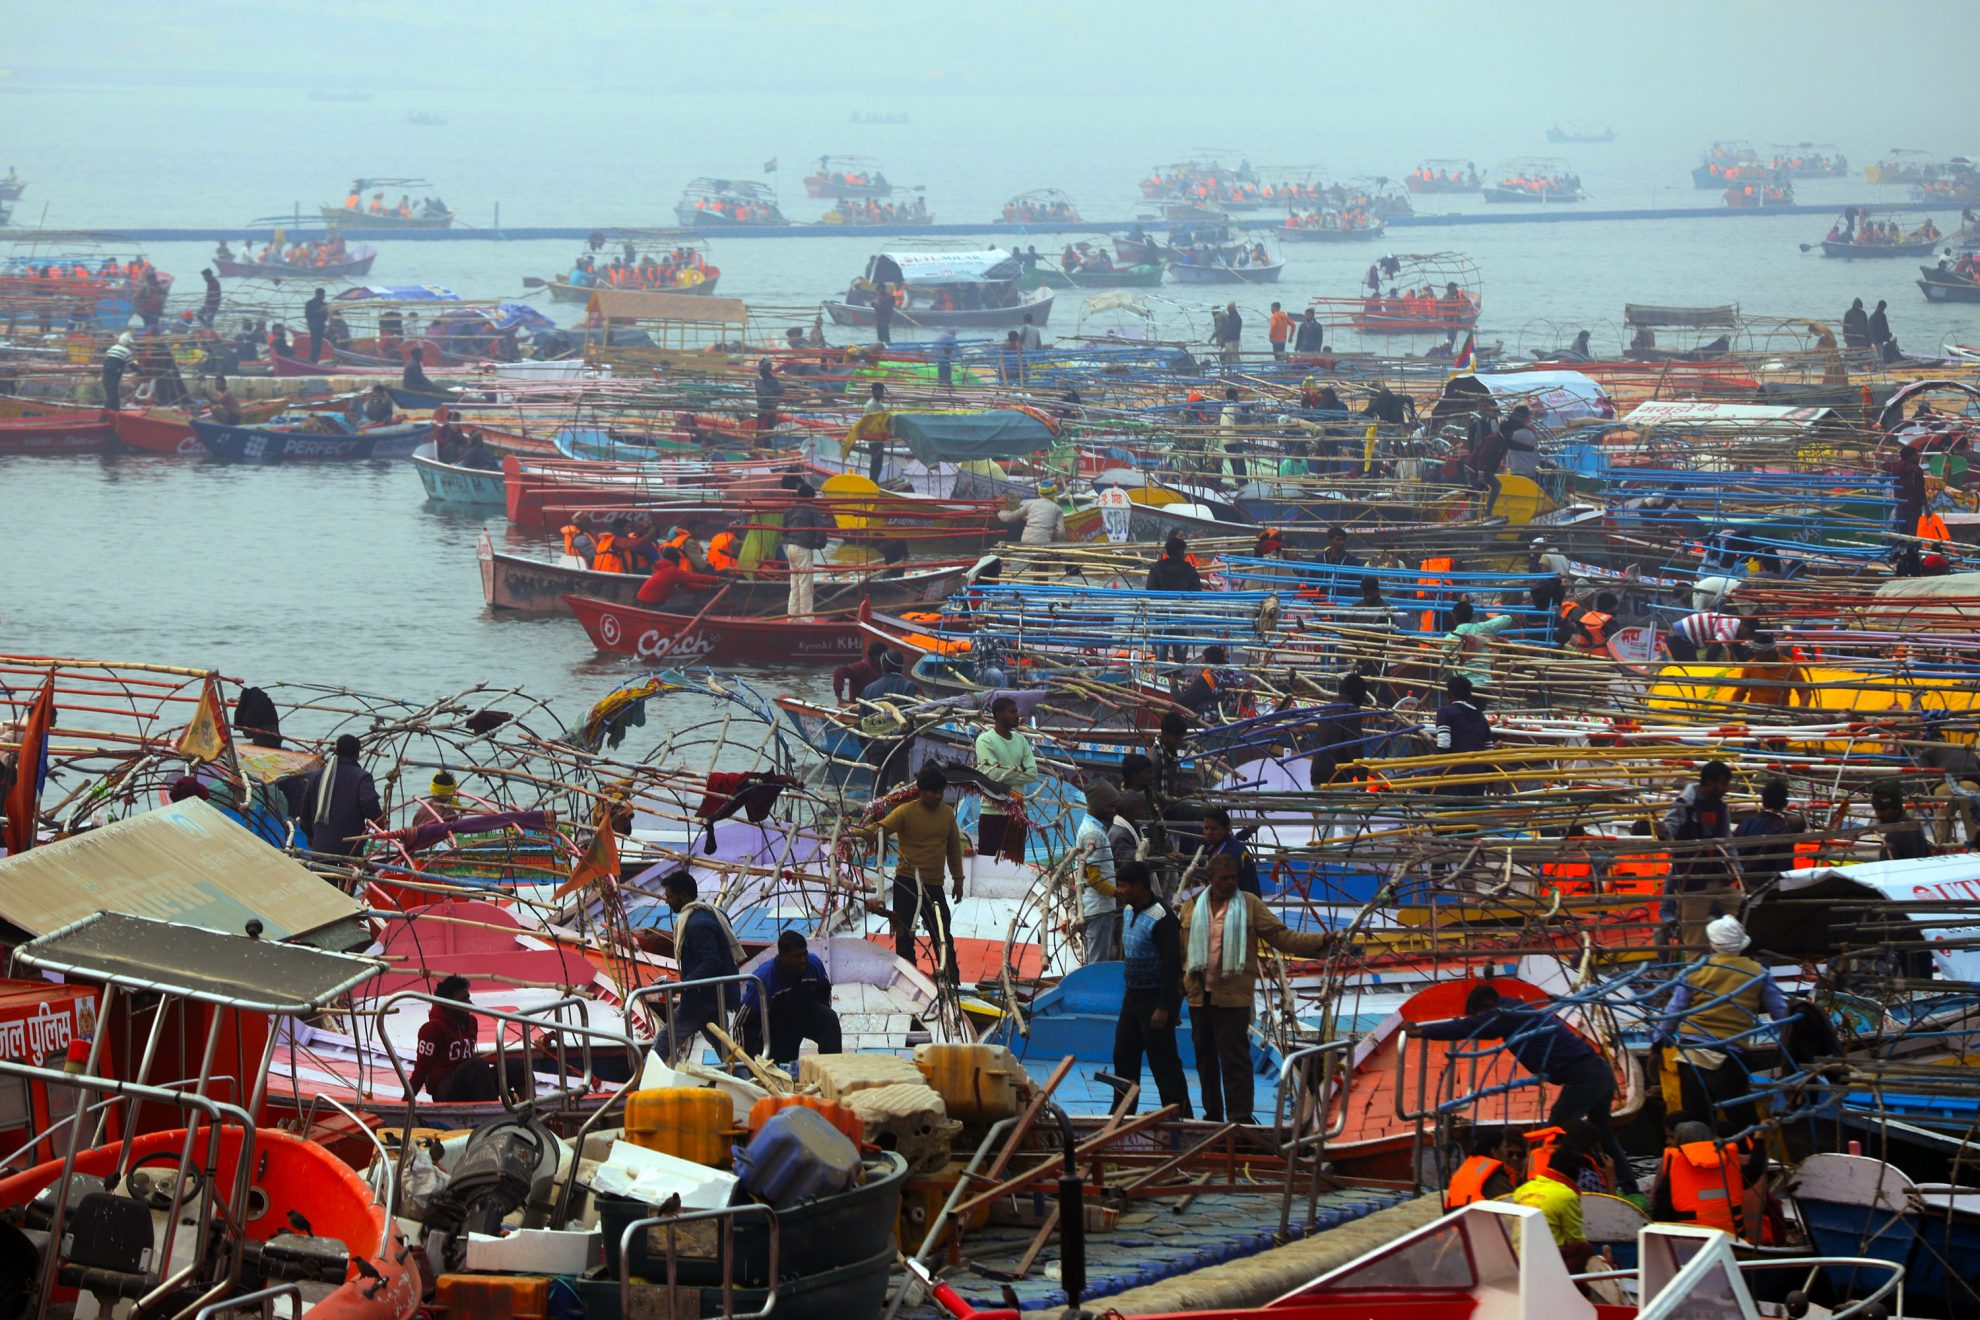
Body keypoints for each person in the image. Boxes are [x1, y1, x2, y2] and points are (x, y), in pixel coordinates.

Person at [1417, 981, 1640, 1193]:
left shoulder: (1506, 1014)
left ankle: (1539, 1185)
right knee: (1603, 1134)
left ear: (1486, 1006)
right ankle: (1628, 1186)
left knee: (1554, 1131)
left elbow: (1469, 1028)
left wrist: (1423, 1031)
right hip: (1600, 1070)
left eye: (1481, 1015)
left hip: (1584, 1076)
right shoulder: (1519, 1008)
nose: (1483, 1019)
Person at [1179, 853, 1333, 1123]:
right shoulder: (1190, 907)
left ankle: (1240, 1117)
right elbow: (1182, 952)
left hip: (1233, 997)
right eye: (1224, 879)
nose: (1230, 883)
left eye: (1233, 879)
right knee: (1205, 1060)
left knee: (1235, 1060)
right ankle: (1212, 1115)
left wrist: (1322, 941)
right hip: (1199, 997)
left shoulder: (1249, 905)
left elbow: (1282, 937)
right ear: (1210, 880)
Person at [1657, 915, 1791, 1133]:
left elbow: (1672, 1015)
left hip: (1690, 1054)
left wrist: (1658, 1043)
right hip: (1730, 1055)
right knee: (1743, 1121)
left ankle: (1701, 1163)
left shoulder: (1694, 971)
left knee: (1696, 1123)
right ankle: (1752, 1160)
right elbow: (1781, 1014)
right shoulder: (1758, 973)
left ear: (1713, 944)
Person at [853, 764, 966, 980]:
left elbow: (953, 849)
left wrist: (959, 880)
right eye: (934, 792)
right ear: (921, 791)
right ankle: (908, 977)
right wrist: (853, 834)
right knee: (904, 934)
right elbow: (880, 829)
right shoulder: (905, 811)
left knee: (942, 933)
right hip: (906, 883)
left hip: (934, 885)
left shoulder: (947, 814)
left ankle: (952, 979)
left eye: (941, 791)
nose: (939, 796)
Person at [1112, 860, 1190, 1117]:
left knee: (1163, 1061)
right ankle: (1122, 1114)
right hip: (1132, 998)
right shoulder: (1128, 910)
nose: (1119, 890)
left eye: (1123, 886)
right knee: (1123, 1056)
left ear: (1139, 886)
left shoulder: (1163, 918)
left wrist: (1165, 1007)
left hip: (1154, 1000)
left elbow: (1172, 965)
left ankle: (1178, 1114)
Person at [660, 870, 745, 1063]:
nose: (667, 901)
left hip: (700, 1002)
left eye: (670, 896)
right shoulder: (713, 913)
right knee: (726, 1050)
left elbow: (711, 961)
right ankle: (746, 1081)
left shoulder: (696, 924)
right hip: (712, 998)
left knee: (662, 1045)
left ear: (684, 896)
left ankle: (644, 1083)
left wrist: (683, 984)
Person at [735, 931, 842, 1065]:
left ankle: (832, 1068)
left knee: (829, 1019)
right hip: (774, 1024)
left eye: (804, 954)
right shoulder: (764, 979)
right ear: (782, 956)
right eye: (796, 956)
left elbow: (824, 993)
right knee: (783, 1060)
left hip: (802, 1012)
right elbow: (741, 1022)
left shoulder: (814, 965)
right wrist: (744, 1059)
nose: (803, 960)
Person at [1510, 1121, 1602, 1270]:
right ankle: (1574, 1286)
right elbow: (1575, 1238)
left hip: (1517, 1258)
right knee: (1583, 1249)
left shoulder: (1523, 1189)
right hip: (1543, 1261)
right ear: (1574, 1174)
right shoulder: (1566, 1195)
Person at [1659, 760, 1736, 936]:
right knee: (1694, 937)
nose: (1727, 789)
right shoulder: (1685, 804)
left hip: (1717, 876)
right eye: (1723, 784)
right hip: (1693, 879)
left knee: (1741, 907)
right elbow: (1670, 827)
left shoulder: (1720, 807)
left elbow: (1727, 841)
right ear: (1710, 783)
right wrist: (1664, 831)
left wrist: (1737, 871)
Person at [1651, 1121, 1746, 1238]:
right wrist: (1759, 1141)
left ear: (1680, 1140)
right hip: (1732, 1234)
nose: (1668, 1142)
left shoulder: (1676, 1161)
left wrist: (1656, 1226)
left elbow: (1662, 1200)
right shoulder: (1727, 1159)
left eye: (1673, 1138)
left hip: (1692, 1235)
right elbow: (1754, 1171)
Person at [297, 733, 384, 856]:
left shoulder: (317, 776)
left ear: (336, 751)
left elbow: (304, 814)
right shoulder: (362, 777)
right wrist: (381, 824)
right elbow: (370, 805)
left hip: (320, 849)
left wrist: (311, 836)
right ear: (357, 755)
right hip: (350, 850)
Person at [1731, 778, 1804, 892]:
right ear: (1784, 803)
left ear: (1763, 800)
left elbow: (1733, 852)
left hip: (1742, 885)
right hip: (1766, 891)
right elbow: (1785, 868)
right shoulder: (1783, 831)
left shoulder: (1746, 823)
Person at [1075, 783, 1120, 962]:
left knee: (1096, 958)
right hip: (1098, 907)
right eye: (1110, 806)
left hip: (1096, 906)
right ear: (1099, 806)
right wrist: (1118, 893)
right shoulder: (1093, 833)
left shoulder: (1093, 828)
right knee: (1096, 961)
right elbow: (1094, 878)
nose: (1113, 811)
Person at [1442, 600, 1517, 692]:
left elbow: (1445, 666)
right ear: (1472, 616)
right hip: (1483, 682)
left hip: (1460, 686)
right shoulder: (1482, 628)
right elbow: (1507, 618)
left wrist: (1452, 680)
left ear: (1453, 616)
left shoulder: (1450, 638)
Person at [781, 482, 830, 621]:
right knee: (805, 584)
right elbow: (820, 532)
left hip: (791, 548)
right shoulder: (812, 509)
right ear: (809, 496)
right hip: (803, 548)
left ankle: (792, 617)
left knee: (795, 584)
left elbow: (783, 531)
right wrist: (819, 544)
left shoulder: (789, 509)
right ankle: (807, 618)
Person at [1445, 1126, 1523, 1209]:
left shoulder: (1466, 1169)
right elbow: (1514, 1209)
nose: (1506, 1152)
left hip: (1457, 1218)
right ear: (1494, 1151)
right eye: (1505, 1147)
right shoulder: (1495, 1178)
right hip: (1479, 1218)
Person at [636, 546, 723, 607]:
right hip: (650, 605)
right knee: (687, 608)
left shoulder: (665, 570)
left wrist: (711, 587)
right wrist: (719, 579)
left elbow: (688, 586)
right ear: (676, 560)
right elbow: (696, 578)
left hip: (646, 603)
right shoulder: (672, 571)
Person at [1871, 778, 1932, 861]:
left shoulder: (1893, 837)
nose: (1878, 815)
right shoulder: (1915, 827)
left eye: (1880, 810)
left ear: (1891, 809)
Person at [1434, 674, 1492, 755]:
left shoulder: (1445, 712)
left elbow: (1443, 746)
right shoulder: (1481, 716)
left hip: (1454, 765)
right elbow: (1489, 749)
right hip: (1478, 765)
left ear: (1449, 694)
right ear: (1469, 695)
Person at [1888, 443, 1927, 538]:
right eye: (1915, 455)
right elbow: (1920, 490)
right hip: (1913, 506)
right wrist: (1927, 507)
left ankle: (1901, 549)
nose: (1917, 457)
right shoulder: (1916, 469)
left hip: (1900, 505)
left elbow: (1885, 466)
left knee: (1901, 532)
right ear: (1909, 456)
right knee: (1912, 533)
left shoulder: (1895, 466)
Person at [101, 332, 136, 409]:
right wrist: (142, 372)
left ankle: (116, 410)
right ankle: (105, 414)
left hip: (105, 372)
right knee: (112, 394)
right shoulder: (127, 351)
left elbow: (105, 360)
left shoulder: (112, 348)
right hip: (114, 373)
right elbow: (132, 365)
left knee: (112, 393)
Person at [753, 358, 783, 436]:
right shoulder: (759, 379)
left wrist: (773, 392)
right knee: (762, 429)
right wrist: (773, 392)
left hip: (772, 407)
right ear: (763, 367)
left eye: (770, 365)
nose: (770, 367)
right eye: (768, 365)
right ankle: (760, 445)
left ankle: (768, 445)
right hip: (763, 408)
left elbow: (781, 389)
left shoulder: (773, 379)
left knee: (770, 428)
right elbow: (765, 393)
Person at [303, 287, 329, 363]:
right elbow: (307, 315)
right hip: (313, 325)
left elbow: (325, 318)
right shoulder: (310, 303)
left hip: (321, 325)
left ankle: (316, 359)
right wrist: (318, 312)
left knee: (319, 344)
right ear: (318, 294)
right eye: (323, 294)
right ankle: (312, 359)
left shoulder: (324, 304)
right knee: (314, 343)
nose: (324, 296)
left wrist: (325, 312)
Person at [872, 280, 894, 345]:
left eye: (879, 290)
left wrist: (875, 306)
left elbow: (884, 310)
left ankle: (888, 349)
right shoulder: (881, 297)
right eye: (878, 291)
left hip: (885, 320)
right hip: (879, 320)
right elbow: (880, 307)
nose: (879, 292)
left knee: (885, 337)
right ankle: (881, 348)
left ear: (883, 289)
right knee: (880, 338)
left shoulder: (889, 298)